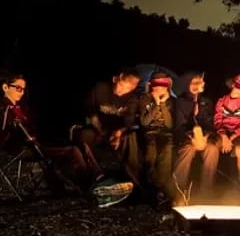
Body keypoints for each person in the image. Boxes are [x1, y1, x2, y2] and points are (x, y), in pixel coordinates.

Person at [0, 73, 104, 194]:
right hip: (23, 148)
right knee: (73, 151)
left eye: (24, 89)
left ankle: (98, 176)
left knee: (81, 145)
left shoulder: (20, 107)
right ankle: (89, 184)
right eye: (18, 88)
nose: (21, 92)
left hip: (36, 143)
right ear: (5, 87)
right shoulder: (1, 108)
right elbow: (4, 133)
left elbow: (34, 124)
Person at [80, 68, 141, 184]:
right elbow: (90, 111)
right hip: (98, 127)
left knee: (130, 139)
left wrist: (118, 133)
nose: (122, 90)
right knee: (85, 135)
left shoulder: (132, 99)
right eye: (122, 85)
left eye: (128, 88)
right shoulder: (101, 88)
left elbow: (129, 121)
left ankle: (133, 180)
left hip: (118, 131)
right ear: (117, 79)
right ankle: (92, 176)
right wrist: (100, 130)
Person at [172, 72, 219, 203]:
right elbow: (179, 125)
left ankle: (206, 190)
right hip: (186, 138)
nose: (201, 84)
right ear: (188, 85)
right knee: (187, 150)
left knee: (212, 150)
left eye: (201, 82)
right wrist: (190, 136)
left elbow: (209, 123)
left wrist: (206, 135)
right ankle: (179, 190)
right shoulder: (180, 102)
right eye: (196, 82)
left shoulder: (206, 102)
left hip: (203, 138)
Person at [139, 72, 175, 203]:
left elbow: (169, 124)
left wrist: (163, 105)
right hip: (149, 133)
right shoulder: (145, 100)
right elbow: (145, 122)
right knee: (150, 152)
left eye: (163, 85)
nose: (159, 88)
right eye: (156, 84)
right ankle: (150, 187)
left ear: (167, 87)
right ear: (151, 86)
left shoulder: (171, 102)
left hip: (166, 133)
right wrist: (156, 103)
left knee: (166, 151)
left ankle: (161, 189)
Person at [214, 73, 240, 187]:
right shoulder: (222, 101)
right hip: (223, 132)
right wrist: (224, 136)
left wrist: (231, 138)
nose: (239, 92)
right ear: (232, 85)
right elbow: (217, 121)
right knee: (214, 147)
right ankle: (216, 179)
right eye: (238, 87)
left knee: (239, 150)